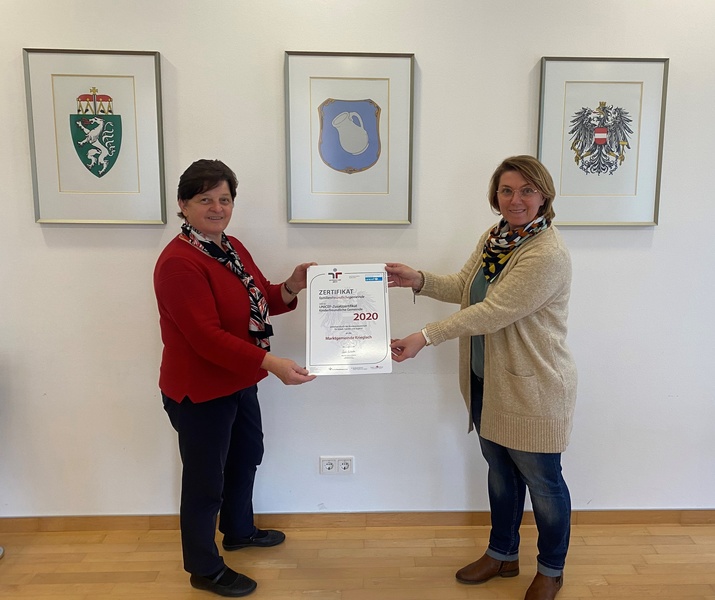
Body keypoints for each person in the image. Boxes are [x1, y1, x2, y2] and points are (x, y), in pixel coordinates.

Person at [387, 155, 577, 600]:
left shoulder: (546, 253)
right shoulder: (496, 238)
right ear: (496, 195)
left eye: (527, 190)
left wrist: (425, 336)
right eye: (507, 190)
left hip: (533, 389)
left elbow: (493, 312)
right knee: (501, 475)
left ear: (544, 196)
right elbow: (465, 287)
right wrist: (418, 279)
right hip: (487, 383)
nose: (516, 200)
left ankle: (551, 570)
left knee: (544, 485)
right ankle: (502, 554)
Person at [154, 159, 316, 597]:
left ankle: (239, 531)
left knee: (246, 455)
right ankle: (204, 569)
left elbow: (259, 300)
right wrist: (272, 364)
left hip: (239, 380)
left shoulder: (231, 247)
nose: (217, 208)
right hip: (200, 390)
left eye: (224, 199)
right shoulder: (179, 262)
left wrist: (293, 285)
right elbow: (206, 338)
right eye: (205, 199)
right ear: (183, 204)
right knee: (205, 481)